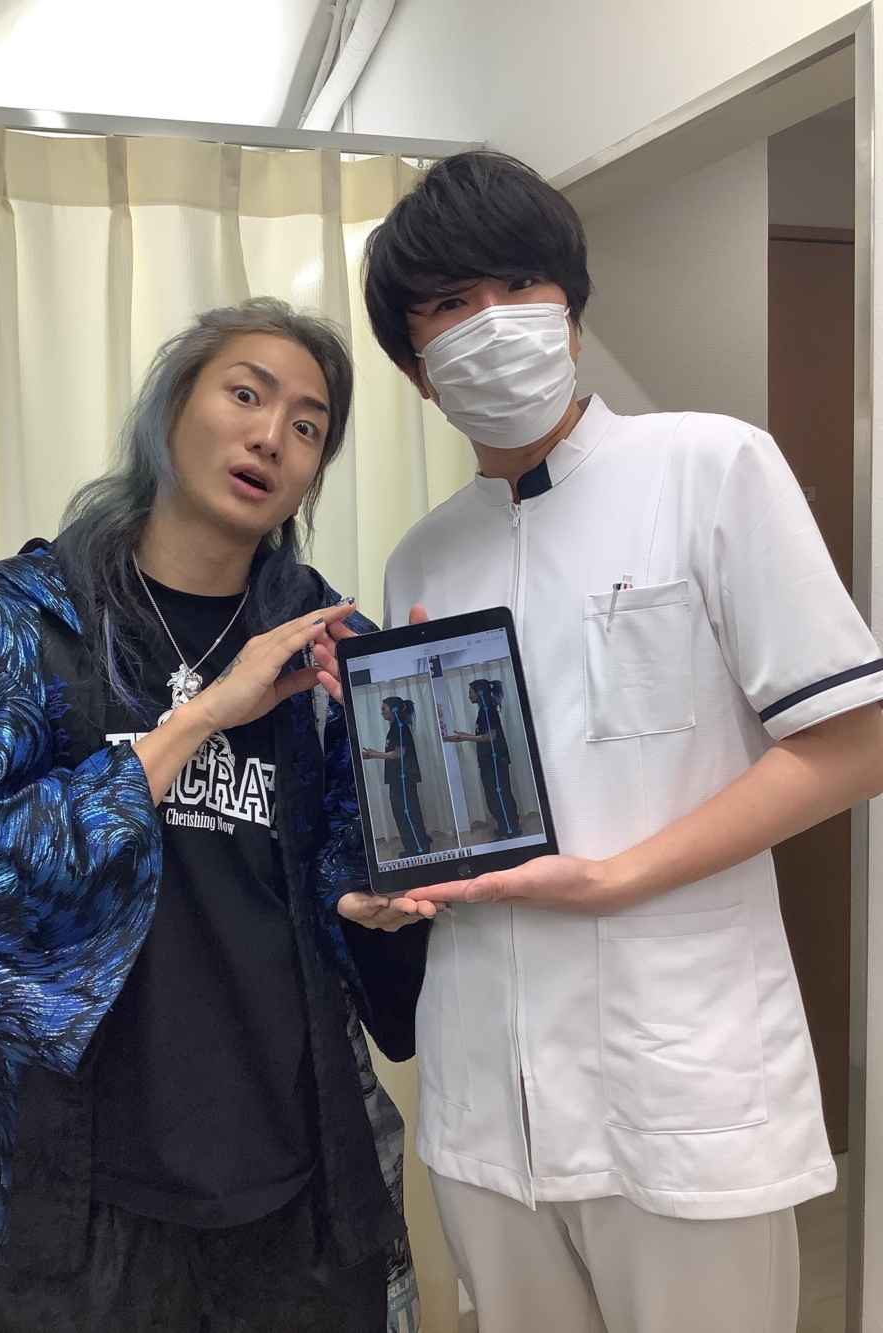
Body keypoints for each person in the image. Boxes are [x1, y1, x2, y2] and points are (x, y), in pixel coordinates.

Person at [359, 151, 883, 1333]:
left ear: (572, 313)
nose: (490, 322)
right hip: (485, 1099)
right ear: (417, 372)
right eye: (448, 303)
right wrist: (405, 884)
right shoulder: (421, 555)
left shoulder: (711, 466)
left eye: (516, 285)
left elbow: (852, 743)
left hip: (676, 1079)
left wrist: (613, 878)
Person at [0, 299, 435, 1333]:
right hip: (82, 1186)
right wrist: (198, 718)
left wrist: (390, 863)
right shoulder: (15, 622)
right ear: (170, 408)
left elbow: (352, 882)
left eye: (307, 426)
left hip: (293, 1175)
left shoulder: (328, 648)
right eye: (245, 394)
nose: (270, 437)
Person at [444, 679, 520, 839]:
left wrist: (465, 738)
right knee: (496, 796)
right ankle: (506, 827)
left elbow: (491, 736)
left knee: (499, 796)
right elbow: (485, 735)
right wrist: (464, 736)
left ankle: (511, 829)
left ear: (479, 693)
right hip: (490, 761)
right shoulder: (484, 711)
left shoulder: (488, 711)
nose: (468, 696)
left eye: (470, 692)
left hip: (495, 761)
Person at [363, 697, 433, 856]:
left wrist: (374, 755)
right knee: (408, 812)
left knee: (405, 813)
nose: (381, 713)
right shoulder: (397, 728)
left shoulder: (399, 728)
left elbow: (398, 753)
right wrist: (376, 753)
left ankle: (417, 849)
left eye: (384, 709)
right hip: (400, 778)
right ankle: (420, 844)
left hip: (403, 778)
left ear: (394, 710)